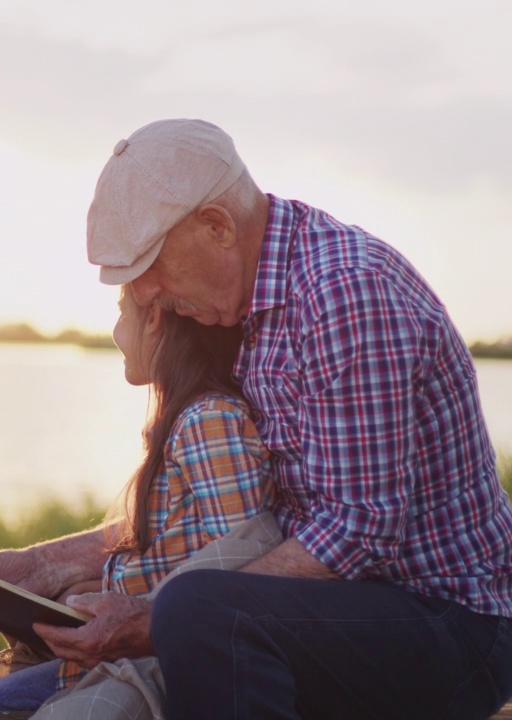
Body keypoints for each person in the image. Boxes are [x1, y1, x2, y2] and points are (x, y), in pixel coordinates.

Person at [77, 118, 512, 719]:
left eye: (151, 263)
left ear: (217, 226)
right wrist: (47, 567)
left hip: (450, 620)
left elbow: (359, 527)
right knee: (191, 609)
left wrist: (158, 612)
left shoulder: (342, 291)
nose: (147, 293)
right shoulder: (246, 305)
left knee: (195, 612)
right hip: (356, 608)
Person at [0, 282, 274, 716]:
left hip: (146, 662)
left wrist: (135, 611)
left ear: (154, 318)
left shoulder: (207, 420)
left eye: (122, 314)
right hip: (128, 653)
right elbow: (187, 547)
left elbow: (240, 563)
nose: (117, 332)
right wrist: (68, 589)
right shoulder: (189, 418)